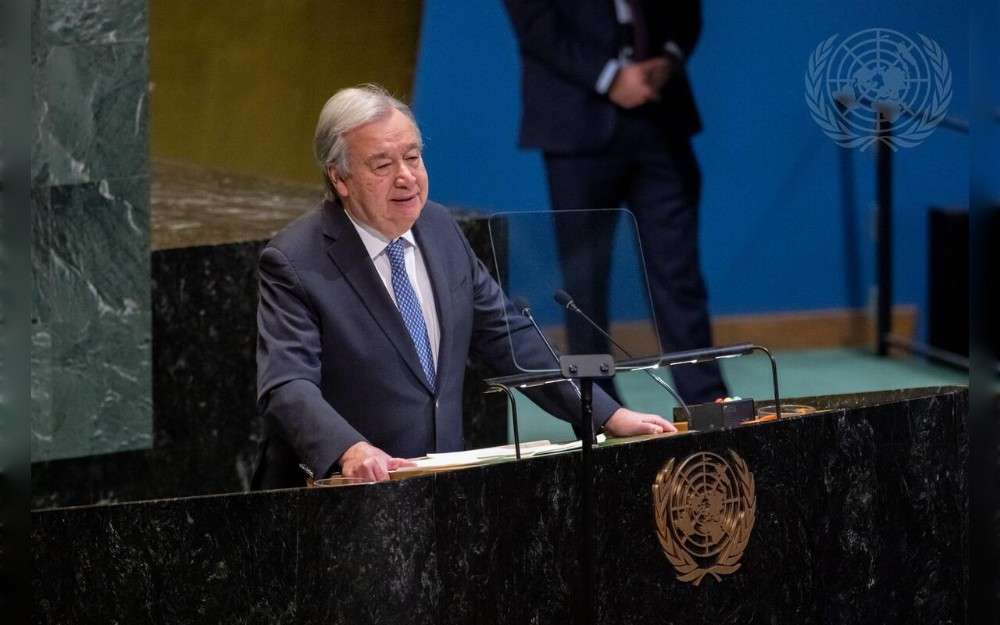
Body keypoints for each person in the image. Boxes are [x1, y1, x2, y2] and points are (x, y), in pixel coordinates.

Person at [252, 84, 675, 488]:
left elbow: (508, 337)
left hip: (440, 485)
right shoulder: (295, 260)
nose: (406, 177)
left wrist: (605, 414)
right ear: (340, 179)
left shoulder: (439, 228)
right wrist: (350, 449)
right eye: (382, 165)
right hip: (342, 492)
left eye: (413, 158)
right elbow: (287, 384)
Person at [502, 0, 728, 404]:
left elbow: (686, 11)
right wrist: (610, 78)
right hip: (575, 123)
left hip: (661, 119)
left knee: (680, 273)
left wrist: (667, 61)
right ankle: (598, 408)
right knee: (583, 282)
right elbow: (536, 25)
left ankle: (707, 401)